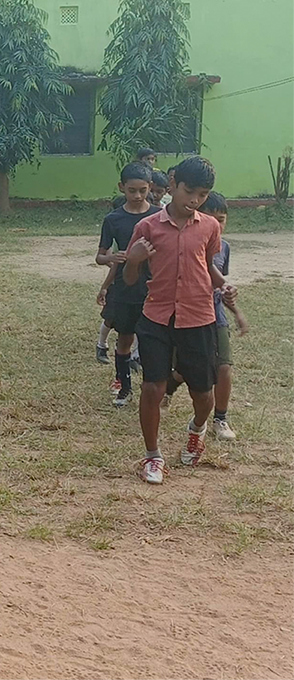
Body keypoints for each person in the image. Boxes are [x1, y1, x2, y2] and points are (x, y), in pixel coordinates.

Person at [123, 156, 229, 485]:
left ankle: (196, 429)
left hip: (199, 317)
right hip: (156, 315)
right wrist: (134, 260)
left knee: (203, 394)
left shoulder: (210, 227)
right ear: (172, 186)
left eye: (202, 194)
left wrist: (224, 286)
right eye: (189, 191)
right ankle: (153, 456)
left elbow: (206, 265)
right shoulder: (147, 227)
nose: (194, 200)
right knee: (152, 387)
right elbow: (128, 278)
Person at [163, 192, 249, 441]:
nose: (217, 225)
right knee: (186, 369)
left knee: (223, 368)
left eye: (221, 219)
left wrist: (237, 313)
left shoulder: (225, 248)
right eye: (211, 219)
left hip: (215, 316)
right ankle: (169, 385)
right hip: (187, 316)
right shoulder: (185, 240)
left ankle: (220, 419)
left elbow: (221, 287)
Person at [97, 163, 160, 408]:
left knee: (153, 340)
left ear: (150, 188)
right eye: (131, 190)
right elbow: (100, 256)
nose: (137, 196)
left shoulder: (158, 215)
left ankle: (154, 388)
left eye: (142, 190)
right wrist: (113, 258)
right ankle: (124, 388)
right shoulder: (113, 219)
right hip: (125, 287)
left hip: (154, 286)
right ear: (121, 187)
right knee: (125, 338)